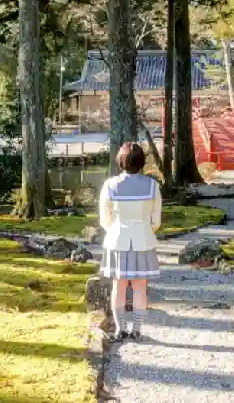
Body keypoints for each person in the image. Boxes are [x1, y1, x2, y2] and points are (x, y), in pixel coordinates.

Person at [99, 141, 162, 341]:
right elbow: (156, 220)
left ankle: (120, 328)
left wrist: (116, 229)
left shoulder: (110, 185)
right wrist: (145, 229)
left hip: (117, 239)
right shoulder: (152, 185)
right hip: (143, 239)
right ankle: (137, 329)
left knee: (118, 287)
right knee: (139, 287)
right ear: (142, 162)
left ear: (120, 161)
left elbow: (104, 219)